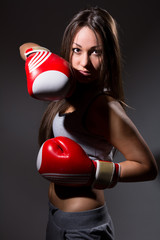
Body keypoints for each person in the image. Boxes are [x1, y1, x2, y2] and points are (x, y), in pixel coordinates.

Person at [19, 7, 158, 240]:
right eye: (77, 50)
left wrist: (93, 170)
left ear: (109, 56)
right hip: (56, 217)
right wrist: (39, 58)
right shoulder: (67, 88)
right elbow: (24, 47)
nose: (84, 62)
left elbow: (148, 167)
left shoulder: (103, 107)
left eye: (96, 53)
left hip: (83, 229)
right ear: (68, 50)